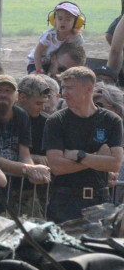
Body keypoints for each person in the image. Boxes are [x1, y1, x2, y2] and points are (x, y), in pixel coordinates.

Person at [45, 67, 124, 222]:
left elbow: (114, 165)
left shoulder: (112, 121)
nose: (64, 93)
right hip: (64, 201)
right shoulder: (55, 121)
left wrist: (79, 156)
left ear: (88, 89)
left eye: (70, 88)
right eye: (63, 87)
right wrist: (98, 159)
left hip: (100, 201)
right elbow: (57, 167)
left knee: (98, 246)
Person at [27, 1, 85, 73]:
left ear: (76, 23)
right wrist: (39, 70)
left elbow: (78, 56)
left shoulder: (77, 39)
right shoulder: (49, 35)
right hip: (36, 62)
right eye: (60, 19)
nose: (63, 22)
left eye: (68, 20)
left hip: (54, 63)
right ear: (54, 20)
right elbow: (37, 53)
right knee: (37, 79)